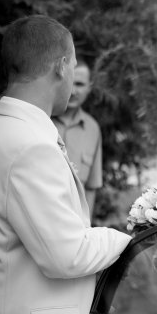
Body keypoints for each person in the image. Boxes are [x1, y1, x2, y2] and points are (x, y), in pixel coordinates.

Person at [0, 15, 131, 314]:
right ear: (61, 66)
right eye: (73, 63)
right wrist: (125, 237)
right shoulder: (31, 146)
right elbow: (67, 255)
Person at [51, 54, 102, 215]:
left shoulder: (93, 129)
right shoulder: (41, 120)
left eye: (79, 84)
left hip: (75, 223)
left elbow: (91, 188)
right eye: (70, 82)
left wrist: (86, 226)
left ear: (89, 87)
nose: (73, 91)